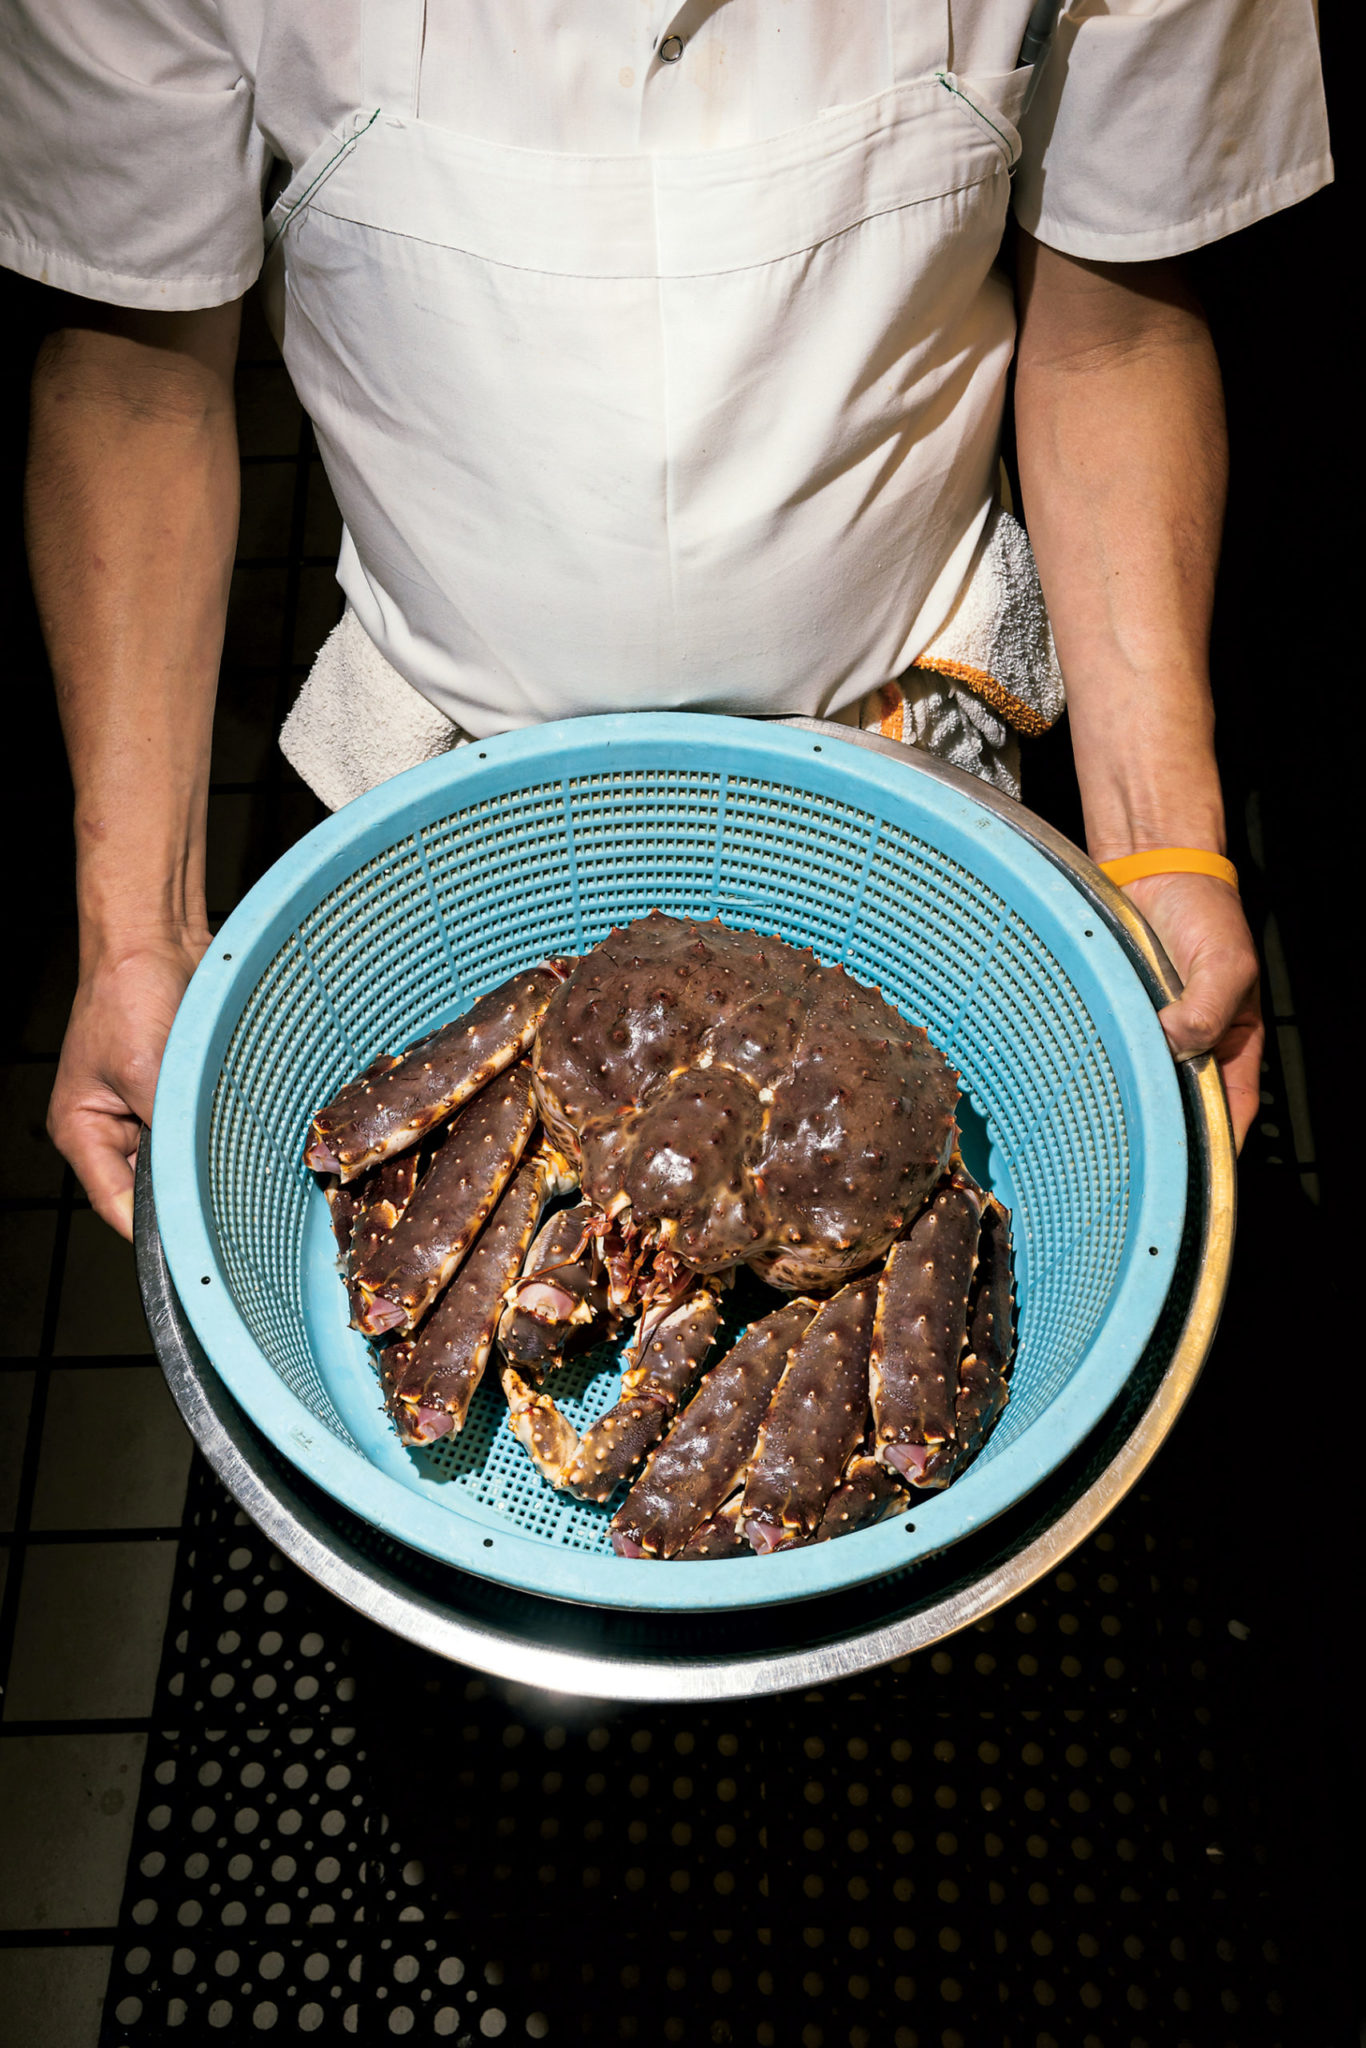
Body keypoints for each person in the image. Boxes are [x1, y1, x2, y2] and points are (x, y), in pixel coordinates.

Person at [0, 3, 1331, 1239]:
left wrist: (1165, 850)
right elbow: (132, 366)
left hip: (910, 748)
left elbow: (1113, 326)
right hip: (430, 769)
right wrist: (136, 930)